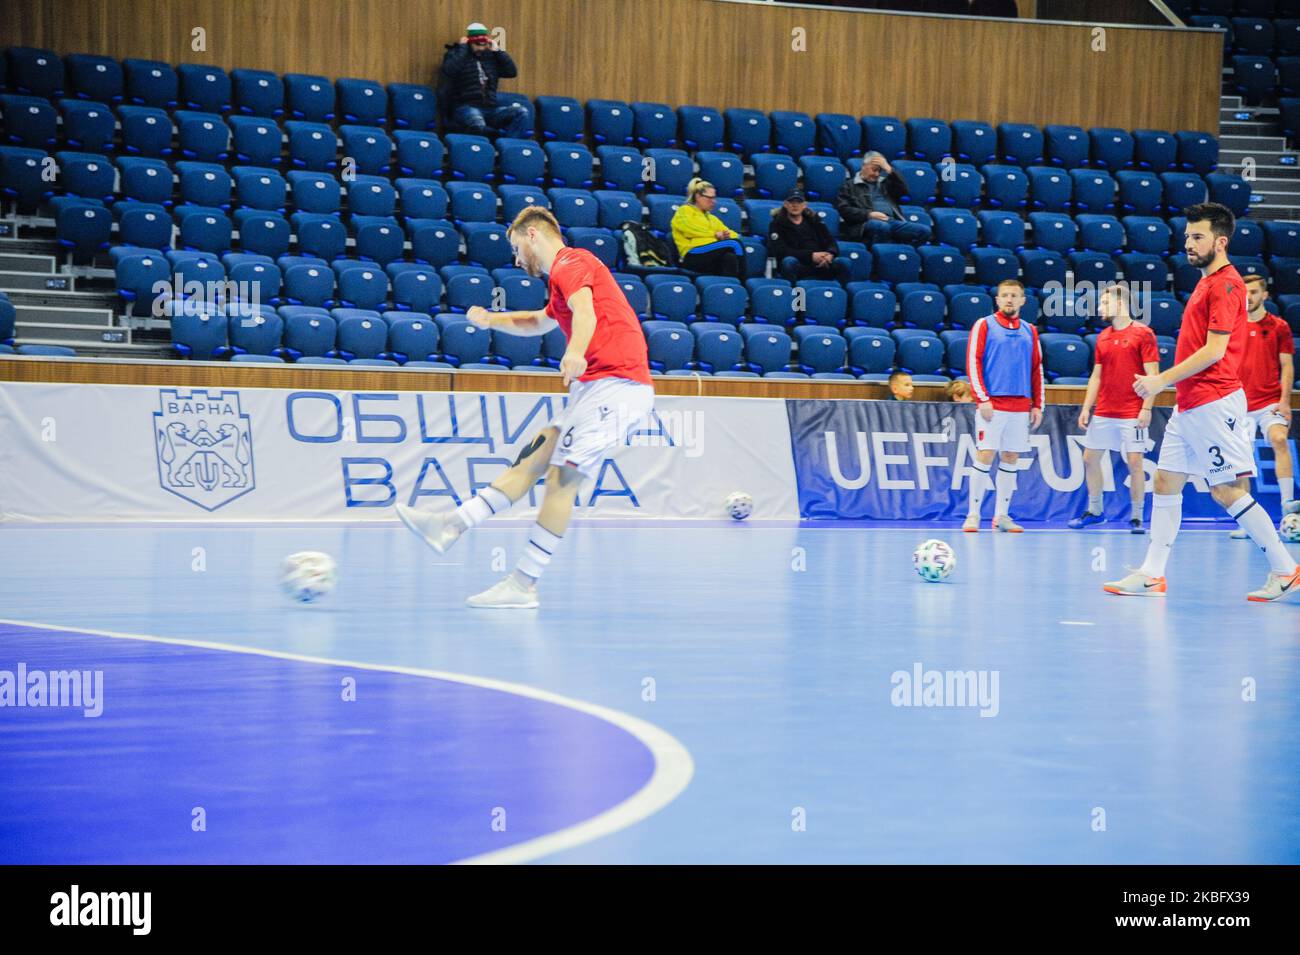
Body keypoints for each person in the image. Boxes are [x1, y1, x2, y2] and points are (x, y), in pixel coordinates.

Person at [395, 206, 655, 609]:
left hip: (617, 386)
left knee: (561, 481)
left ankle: (523, 584)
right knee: (530, 462)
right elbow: (538, 322)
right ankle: (450, 525)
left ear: (533, 235)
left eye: (517, 248)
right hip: (593, 389)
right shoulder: (560, 282)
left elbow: (585, 313)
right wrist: (491, 320)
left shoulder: (572, 262)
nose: (517, 260)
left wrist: (574, 352)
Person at [1104, 202, 1300, 602]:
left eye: (1197, 237)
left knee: (1226, 491)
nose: (1188, 244)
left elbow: (1214, 351)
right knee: (1165, 481)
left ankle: (1286, 569)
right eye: (1187, 236)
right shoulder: (1207, 281)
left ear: (1220, 241)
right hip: (1189, 403)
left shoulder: (1227, 284)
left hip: (1213, 401)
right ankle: (1152, 574)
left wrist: (1159, 380)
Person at [1068, 283, 1158, 534]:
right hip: (1105, 411)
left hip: (1132, 411)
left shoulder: (1144, 334)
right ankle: (1096, 511)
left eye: (1105, 302)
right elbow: (1096, 376)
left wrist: (1147, 408)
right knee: (1089, 459)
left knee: (1135, 462)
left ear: (1120, 304)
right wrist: (1087, 408)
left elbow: (1153, 374)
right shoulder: (1103, 337)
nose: (1100, 307)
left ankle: (1137, 517)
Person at [963, 278, 1043, 533]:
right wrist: (982, 398)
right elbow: (973, 362)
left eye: (1014, 295)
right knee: (985, 454)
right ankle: (973, 514)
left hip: (1020, 406)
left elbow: (1036, 369)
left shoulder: (1030, 330)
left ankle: (1002, 516)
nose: (1009, 299)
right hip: (992, 404)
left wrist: (1038, 404)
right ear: (997, 300)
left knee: (1011, 457)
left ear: (1022, 300)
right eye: (1005, 295)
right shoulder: (983, 325)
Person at [1230, 274, 1294, 539]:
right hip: (1237, 404)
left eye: (1254, 292)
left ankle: (1288, 511)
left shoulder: (1279, 326)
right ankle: (1247, 522)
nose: (1249, 297)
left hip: (1269, 402)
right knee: (1241, 461)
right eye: (1245, 292)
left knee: (1279, 440)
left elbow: (1287, 365)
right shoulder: (1232, 325)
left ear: (1264, 295)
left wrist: (1285, 401)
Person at [440, 22, 529, 138]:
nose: (481, 48)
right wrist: (462, 48)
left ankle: (507, 147)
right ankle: (493, 140)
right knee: (477, 122)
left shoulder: (491, 58)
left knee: (521, 112)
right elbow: (449, 70)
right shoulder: (456, 54)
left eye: (484, 44)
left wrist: (498, 52)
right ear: (469, 42)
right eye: (477, 44)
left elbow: (511, 72)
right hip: (465, 107)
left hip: (490, 109)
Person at [834, 151, 930, 247]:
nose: (877, 174)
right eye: (874, 170)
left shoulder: (885, 183)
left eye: (880, 171)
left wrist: (890, 170)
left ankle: (906, 252)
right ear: (864, 166)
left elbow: (903, 191)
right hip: (865, 224)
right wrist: (869, 214)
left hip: (892, 221)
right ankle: (880, 255)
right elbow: (844, 210)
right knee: (881, 226)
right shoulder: (849, 186)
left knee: (924, 231)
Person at [767, 190, 851, 284]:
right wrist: (810, 256)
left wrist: (829, 255)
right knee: (788, 262)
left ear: (804, 205)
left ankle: (843, 294)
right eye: (791, 202)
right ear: (785, 204)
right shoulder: (776, 224)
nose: (795, 205)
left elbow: (831, 242)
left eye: (799, 202)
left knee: (844, 262)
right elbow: (780, 251)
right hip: (798, 264)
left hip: (821, 264)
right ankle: (792, 293)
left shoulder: (815, 220)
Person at [670, 178, 746, 279]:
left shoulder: (711, 218)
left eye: (714, 198)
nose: (713, 202)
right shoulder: (684, 211)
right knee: (734, 243)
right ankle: (743, 284)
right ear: (698, 197)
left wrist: (725, 235)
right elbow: (690, 230)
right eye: (709, 198)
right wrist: (715, 235)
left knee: (729, 257)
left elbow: (732, 234)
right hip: (692, 254)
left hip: (709, 257)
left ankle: (729, 287)